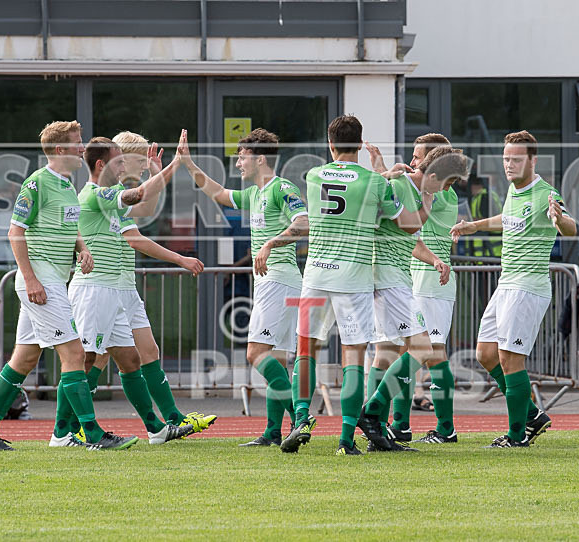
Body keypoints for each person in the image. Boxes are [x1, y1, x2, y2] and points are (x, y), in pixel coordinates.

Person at [0, 121, 137, 451]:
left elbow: (69, 227)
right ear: (60, 150)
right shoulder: (37, 183)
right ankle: (90, 433)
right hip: (42, 282)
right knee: (75, 352)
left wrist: (82, 247)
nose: (82, 149)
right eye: (77, 143)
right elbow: (15, 232)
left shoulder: (65, 185)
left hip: (53, 281)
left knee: (24, 359)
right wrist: (32, 279)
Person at [281, 114, 427, 455]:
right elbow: (403, 221)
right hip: (354, 276)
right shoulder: (374, 182)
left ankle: (301, 417)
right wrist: (385, 175)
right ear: (360, 144)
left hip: (316, 273)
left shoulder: (314, 175)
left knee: (306, 349)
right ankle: (346, 440)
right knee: (353, 358)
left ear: (330, 144)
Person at [177, 127, 310, 447]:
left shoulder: (282, 187)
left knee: (255, 353)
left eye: (242, 157)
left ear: (259, 159)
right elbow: (219, 194)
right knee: (275, 359)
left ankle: (301, 420)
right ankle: (272, 432)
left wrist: (269, 246)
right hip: (272, 282)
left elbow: (304, 223)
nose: (237, 164)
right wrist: (190, 165)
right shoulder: (254, 193)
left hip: (280, 281)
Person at [61, 137, 196, 446]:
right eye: (119, 161)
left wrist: (156, 174)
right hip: (96, 289)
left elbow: (140, 209)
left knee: (131, 359)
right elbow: (138, 197)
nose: (123, 167)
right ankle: (63, 431)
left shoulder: (110, 202)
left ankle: (158, 428)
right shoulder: (96, 195)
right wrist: (175, 165)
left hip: (114, 289)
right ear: (101, 165)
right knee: (83, 360)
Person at [451, 130, 577, 447]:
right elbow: (507, 219)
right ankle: (532, 414)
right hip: (506, 283)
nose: (509, 164)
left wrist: (559, 218)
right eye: (506, 158)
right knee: (486, 354)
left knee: (510, 359)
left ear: (533, 161)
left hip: (528, 286)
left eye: (516, 159)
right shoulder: (513, 190)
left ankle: (517, 435)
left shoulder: (546, 192)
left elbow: (570, 227)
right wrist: (474, 225)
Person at [360, 145, 469, 449]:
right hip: (393, 279)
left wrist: (384, 174)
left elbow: (410, 233)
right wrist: (383, 174)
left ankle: (383, 429)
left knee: (392, 353)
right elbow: (405, 225)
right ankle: (377, 416)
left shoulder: (424, 190)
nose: (411, 162)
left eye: (418, 156)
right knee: (420, 350)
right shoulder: (404, 186)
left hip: (405, 280)